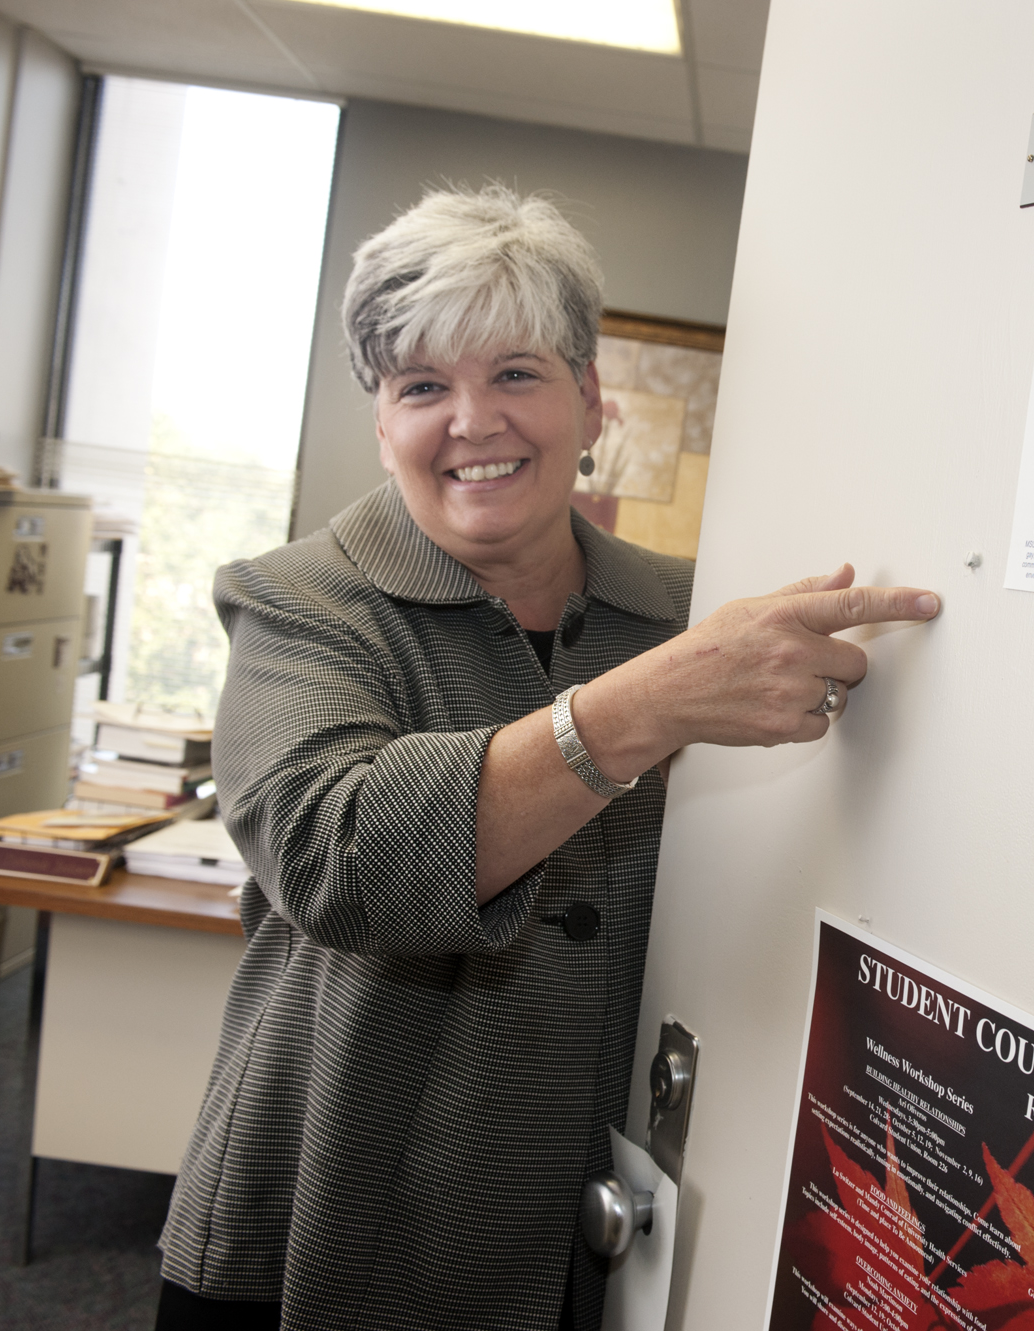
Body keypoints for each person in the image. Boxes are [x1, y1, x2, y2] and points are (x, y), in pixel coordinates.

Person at [154, 186, 938, 1331]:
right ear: (382, 422)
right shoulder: (300, 602)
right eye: (422, 386)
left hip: (588, 1241)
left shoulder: (686, 614)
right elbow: (340, 860)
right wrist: (633, 710)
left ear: (591, 399)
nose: (472, 421)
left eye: (515, 373)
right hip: (323, 1225)